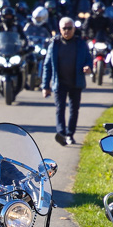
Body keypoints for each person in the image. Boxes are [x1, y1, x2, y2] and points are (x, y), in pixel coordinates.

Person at [41, 16, 93, 146]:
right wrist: (45, 86)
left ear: (74, 29)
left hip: (76, 82)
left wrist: (88, 66)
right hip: (60, 83)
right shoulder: (54, 44)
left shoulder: (81, 43)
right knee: (60, 109)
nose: (67, 31)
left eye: (70, 28)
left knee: (74, 110)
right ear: (60, 29)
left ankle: (70, 134)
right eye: (64, 28)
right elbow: (47, 66)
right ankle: (61, 134)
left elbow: (88, 58)